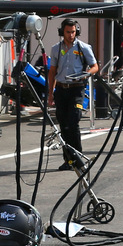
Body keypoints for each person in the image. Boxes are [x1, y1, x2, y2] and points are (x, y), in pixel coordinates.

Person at [45, 18, 99, 170]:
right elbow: (52, 72)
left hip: (77, 88)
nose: (70, 35)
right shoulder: (56, 48)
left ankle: (78, 157)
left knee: (73, 120)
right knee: (63, 125)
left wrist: (86, 74)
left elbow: (95, 67)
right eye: (68, 32)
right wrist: (50, 94)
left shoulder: (84, 47)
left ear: (77, 32)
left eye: (73, 32)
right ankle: (68, 160)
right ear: (62, 32)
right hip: (61, 90)